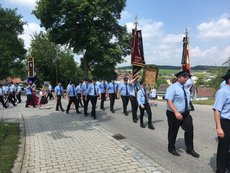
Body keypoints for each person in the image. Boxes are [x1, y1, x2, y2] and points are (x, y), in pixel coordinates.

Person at [165, 70, 199, 157]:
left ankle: (189, 149)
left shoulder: (185, 87)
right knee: (173, 131)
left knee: (189, 129)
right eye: (184, 77)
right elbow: (169, 101)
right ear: (179, 78)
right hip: (173, 113)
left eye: (187, 77)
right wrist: (176, 112)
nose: (186, 78)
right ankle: (171, 148)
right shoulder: (173, 87)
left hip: (185, 113)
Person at [213, 70, 230, 173]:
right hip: (225, 122)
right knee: (223, 147)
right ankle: (220, 170)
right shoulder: (223, 92)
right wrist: (219, 127)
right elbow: (217, 110)